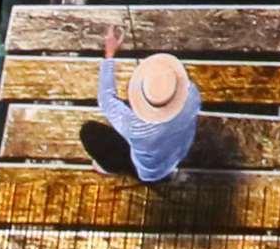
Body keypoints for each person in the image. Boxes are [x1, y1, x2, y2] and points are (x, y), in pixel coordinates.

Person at [82, 19, 202, 183]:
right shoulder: (192, 95)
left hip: (149, 170)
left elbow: (106, 99)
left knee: (88, 132)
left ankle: (120, 169)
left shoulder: (134, 126)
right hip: (178, 152)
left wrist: (109, 54)